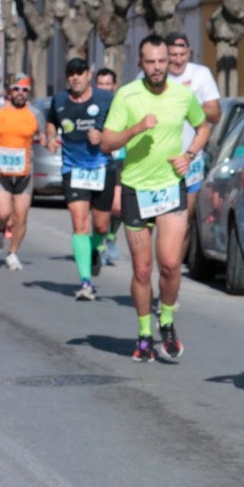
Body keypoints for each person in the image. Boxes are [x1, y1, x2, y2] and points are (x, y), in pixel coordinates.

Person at [97, 36, 210, 364]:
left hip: (170, 186)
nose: (158, 67)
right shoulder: (127, 95)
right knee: (143, 270)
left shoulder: (183, 95)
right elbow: (106, 143)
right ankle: (145, 332)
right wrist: (134, 130)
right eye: (151, 62)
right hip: (136, 189)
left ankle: (167, 320)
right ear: (141, 64)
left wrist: (189, 155)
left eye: (162, 61)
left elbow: (203, 127)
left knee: (172, 264)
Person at [46, 58, 116, 300]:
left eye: (79, 72)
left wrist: (104, 135)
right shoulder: (59, 100)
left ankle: (96, 247)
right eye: (70, 73)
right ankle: (85, 282)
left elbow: (119, 126)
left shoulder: (105, 99)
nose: (75, 77)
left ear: (89, 74)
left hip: (102, 166)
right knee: (79, 223)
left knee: (101, 226)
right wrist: (51, 138)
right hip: (72, 168)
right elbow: (51, 124)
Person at [0, 77, 40, 270]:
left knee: (21, 216)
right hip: (0, 170)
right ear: (10, 91)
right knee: (3, 214)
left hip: (24, 172)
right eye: (17, 89)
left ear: (28, 93)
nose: (20, 93)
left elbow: (44, 135)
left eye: (24, 90)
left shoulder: (35, 114)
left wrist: (47, 141)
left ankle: (13, 253)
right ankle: (0, 228)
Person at [165, 32, 221, 211]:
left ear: (189, 53)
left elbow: (215, 115)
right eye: (173, 55)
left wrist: (188, 103)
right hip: (160, 159)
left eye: (183, 55)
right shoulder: (153, 74)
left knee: (185, 219)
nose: (178, 60)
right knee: (160, 218)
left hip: (191, 157)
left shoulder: (200, 74)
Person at [95, 66, 125, 267]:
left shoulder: (121, 104)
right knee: (98, 207)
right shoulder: (91, 105)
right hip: (96, 160)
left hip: (120, 158)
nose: (105, 88)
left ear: (114, 86)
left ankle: (112, 235)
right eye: (101, 84)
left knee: (118, 206)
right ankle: (98, 244)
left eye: (108, 84)